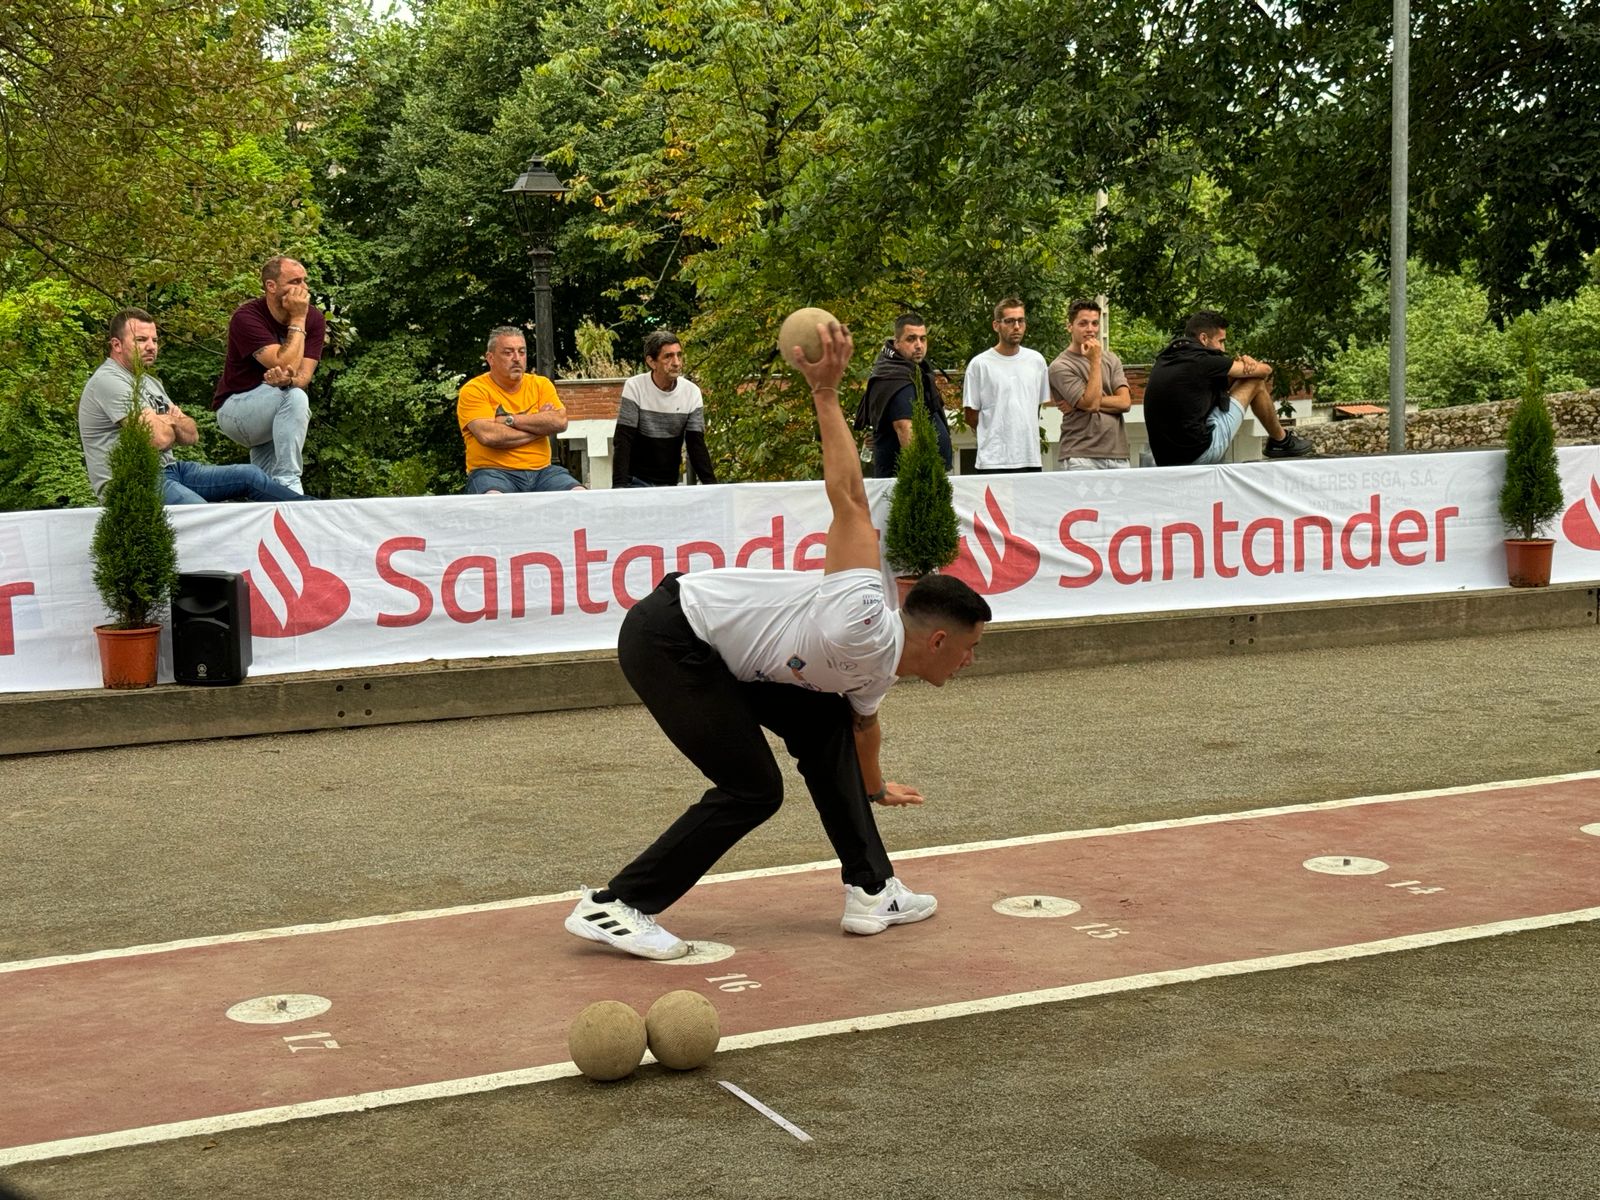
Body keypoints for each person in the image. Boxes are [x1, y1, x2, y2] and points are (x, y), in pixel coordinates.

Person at [565, 321, 992, 960]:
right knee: (754, 788)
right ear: (934, 641)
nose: (972, 660)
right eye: (970, 647)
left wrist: (875, 788)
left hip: (723, 652)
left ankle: (872, 889)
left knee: (824, 723)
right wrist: (825, 395)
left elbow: (859, 731)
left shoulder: (878, 671)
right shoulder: (859, 616)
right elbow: (848, 496)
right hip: (670, 635)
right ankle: (618, 905)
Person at [79, 309, 309, 506]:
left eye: (155, 340)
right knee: (204, 515)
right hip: (135, 480)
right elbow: (158, 438)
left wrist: (169, 422)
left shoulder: (151, 383)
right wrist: (170, 421)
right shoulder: (109, 381)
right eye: (141, 340)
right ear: (116, 345)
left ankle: (314, 513)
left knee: (250, 475)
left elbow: (191, 434)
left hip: (172, 470)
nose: (151, 347)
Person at [211, 256, 325, 493]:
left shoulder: (315, 318)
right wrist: (298, 318)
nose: (304, 289)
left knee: (265, 487)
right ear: (271, 286)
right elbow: (284, 363)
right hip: (235, 409)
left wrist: (288, 380)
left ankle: (270, 496)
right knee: (293, 398)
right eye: (295, 281)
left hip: (273, 407)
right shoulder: (247, 317)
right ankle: (288, 482)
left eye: (305, 281)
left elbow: (302, 377)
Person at [1143, 310, 1314, 466]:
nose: (1223, 349)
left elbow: (1226, 380)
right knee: (1254, 381)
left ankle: (1279, 441)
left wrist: (1239, 368)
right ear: (1203, 338)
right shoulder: (1205, 361)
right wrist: (1248, 362)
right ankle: (1281, 441)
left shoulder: (1167, 359)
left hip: (1165, 460)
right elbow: (1265, 371)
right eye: (1221, 341)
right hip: (1197, 455)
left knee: (1239, 378)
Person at [457, 326, 585, 493]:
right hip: (493, 472)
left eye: (522, 352)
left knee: (579, 495)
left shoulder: (541, 385)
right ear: (490, 358)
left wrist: (509, 420)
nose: (516, 358)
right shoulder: (474, 390)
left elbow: (560, 421)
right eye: (508, 352)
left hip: (543, 472)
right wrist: (540, 428)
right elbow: (489, 435)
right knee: (493, 499)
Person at [613, 330, 718, 487]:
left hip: (669, 483)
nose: (676, 362)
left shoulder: (691, 392)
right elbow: (623, 441)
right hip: (635, 480)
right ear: (651, 362)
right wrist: (619, 489)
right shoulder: (635, 387)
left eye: (679, 355)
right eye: (668, 356)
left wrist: (713, 488)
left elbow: (696, 446)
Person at [857, 312, 952, 479]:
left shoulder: (912, 370)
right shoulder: (896, 377)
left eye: (923, 339)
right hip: (906, 482)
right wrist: (918, 479)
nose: (918, 345)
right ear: (897, 343)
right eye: (911, 339)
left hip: (926, 477)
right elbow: (904, 427)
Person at [961, 298, 1050, 473]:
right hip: (993, 461)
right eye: (1009, 321)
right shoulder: (980, 364)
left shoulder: (1037, 361)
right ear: (996, 325)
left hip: (1029, 458)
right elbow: (971, 415)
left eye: (1021, 320)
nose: (1016, 326)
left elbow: (1035, 407)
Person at [1048, 300, 1131, 470]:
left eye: (1094, 323)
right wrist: (1095, 360)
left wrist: (1081, 403)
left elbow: (1125, 402)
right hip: (1080, 455)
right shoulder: (1060, 366)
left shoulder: (1112, 359)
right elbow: (1091, 404)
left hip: (1118, 455)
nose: (1090, 329)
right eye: (1083, 323)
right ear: (1070, 326)